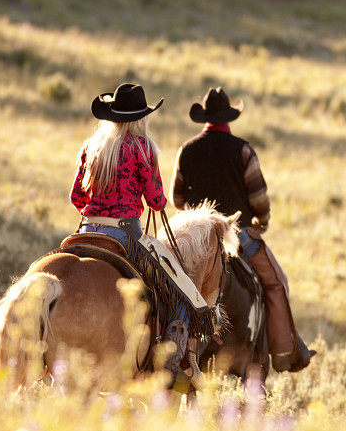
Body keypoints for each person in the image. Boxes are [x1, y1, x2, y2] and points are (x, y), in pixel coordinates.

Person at [170, 87, 314, 372]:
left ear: (205, 119)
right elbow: (259, 197)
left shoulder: (186, 150)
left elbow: (176, 198)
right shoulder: (244, 150)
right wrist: (262, 221)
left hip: (197, 238)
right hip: (237, 233)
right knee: (276, 283)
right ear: (228, 119)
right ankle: (286, 353)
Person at [70, 83, 202, 379]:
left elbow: (76, 198)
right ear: (140, 118)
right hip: (125, 235)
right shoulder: (143, 148)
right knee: (179, 288)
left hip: (86, 229)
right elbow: (156, 200)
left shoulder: (92, 147)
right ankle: (170, 361)